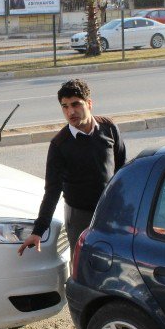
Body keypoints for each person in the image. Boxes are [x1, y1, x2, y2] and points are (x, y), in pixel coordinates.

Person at [18, 79, 126, 255]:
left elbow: (122, 169)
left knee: (117, 258)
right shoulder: (60, 144)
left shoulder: (109, 128)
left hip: (111, 210)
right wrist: (38, 231)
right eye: (65, 106)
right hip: (79, 217)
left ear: (89, 104)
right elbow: (52, 191)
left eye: (76, 104)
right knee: (82, 263)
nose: (70, 111)